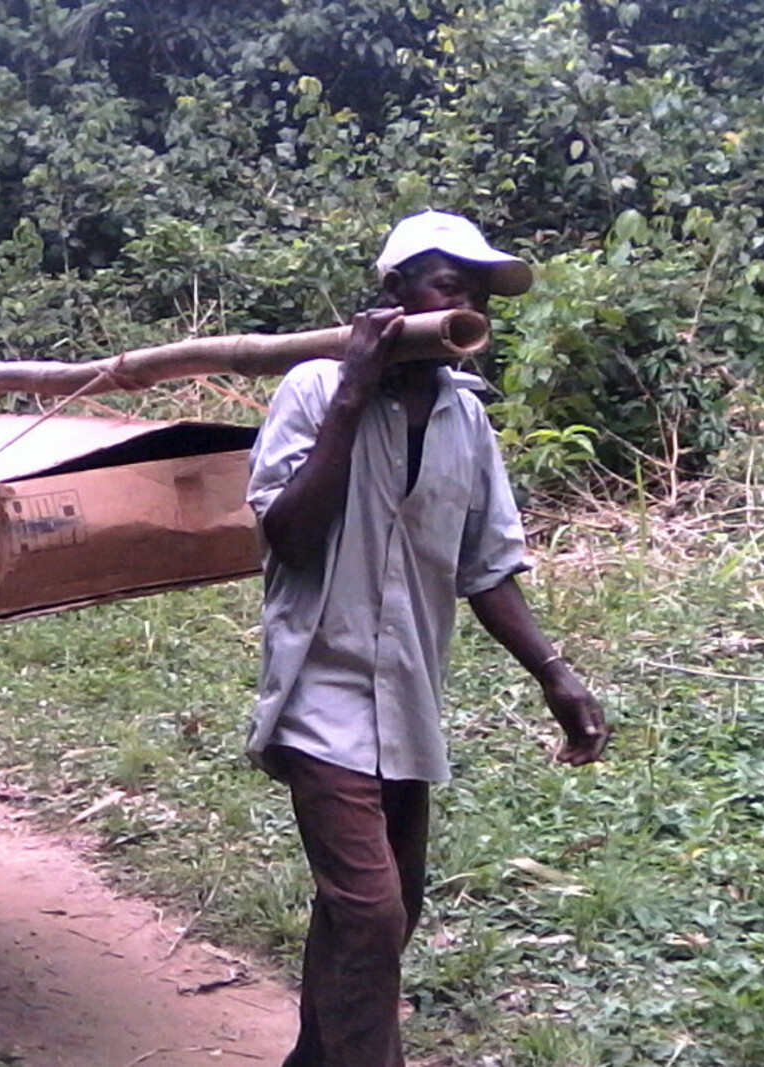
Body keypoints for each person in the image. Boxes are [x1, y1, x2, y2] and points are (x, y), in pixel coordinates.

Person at [246, 211, 609, 1067]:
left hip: (407, 695)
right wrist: (353, 391)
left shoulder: (464, 417)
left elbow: (485, 565)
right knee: (371, 912)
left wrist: (555, 674)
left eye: (479, 293)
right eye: (452, 285)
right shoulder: (309, 390)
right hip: (318, 695)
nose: (470, 303)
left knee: (378, 909)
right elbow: (291, 535)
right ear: (394, 294)